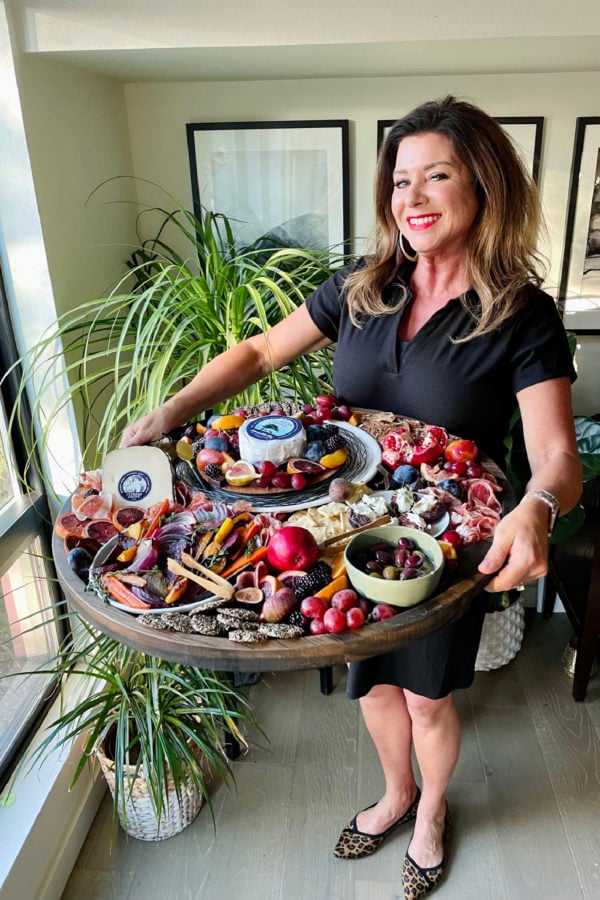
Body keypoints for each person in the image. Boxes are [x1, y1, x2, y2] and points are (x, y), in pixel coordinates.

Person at [121, 96, 582, 898]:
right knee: (372, 690)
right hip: (345, 541)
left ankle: (432, 809)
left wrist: (537, 507)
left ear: (484, 187)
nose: (412, 196)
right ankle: (396, 791)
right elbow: (263, 348)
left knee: (427, 700)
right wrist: (174, 409)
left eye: (436, 175)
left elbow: (554, 456)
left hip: (440, 552)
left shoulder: (521, 315)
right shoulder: (364, 288)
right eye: (401, 180)